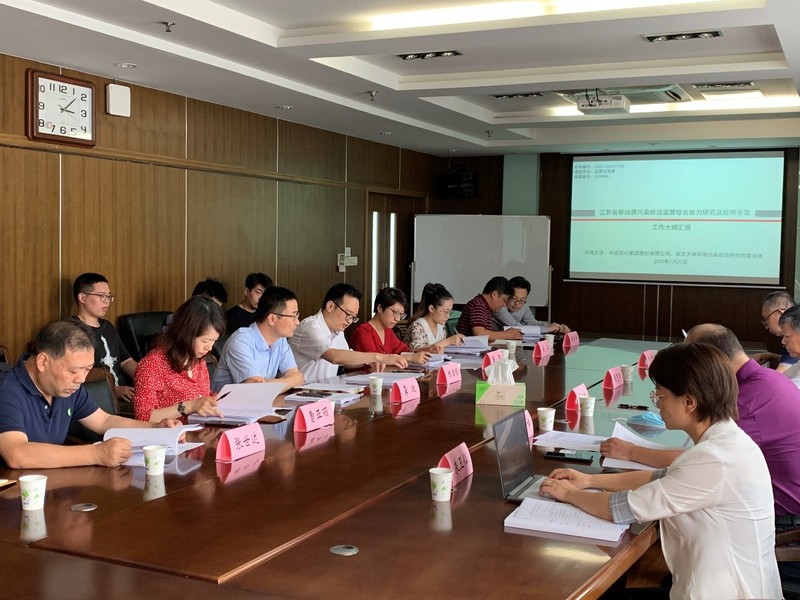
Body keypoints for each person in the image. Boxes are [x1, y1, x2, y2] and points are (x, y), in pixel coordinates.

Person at [541, 343, 781, 600]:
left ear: (689, 402)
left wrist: (568, 494)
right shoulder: (726, 440)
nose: (657, 404)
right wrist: (589, 480)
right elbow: (658, 477)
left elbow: (621, 509)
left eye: (660, 396)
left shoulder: (714, 460)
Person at [601, 323, 800, 516]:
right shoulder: (767, 378)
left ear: (710, 361)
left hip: (780, 511)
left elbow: (701, 460)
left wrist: (631, 452)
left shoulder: (746, 402)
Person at [0, 320, 181, 469]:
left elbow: (104, 421)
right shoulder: (7, 389)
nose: (81, 379)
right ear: (42, 362)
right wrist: (96, 454)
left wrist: (155, 428)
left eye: (87, 369)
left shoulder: (68, 387)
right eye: (74, 371)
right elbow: (17, 454)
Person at [289, 283, 407, 382]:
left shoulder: (338, 330)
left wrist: (368, 361)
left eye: (353, 317)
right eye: (348, 314)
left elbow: (346, 362)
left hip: (325, 392)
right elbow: (334, 357)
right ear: (330, 306)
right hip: (300, 393)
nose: (349, 321)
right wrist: (378, 357)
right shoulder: (310, 327)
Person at [133, 296, 225, 422]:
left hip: (200, 429)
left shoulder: (199, 360)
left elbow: (201, 397)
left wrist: (212, 400)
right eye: (205, 341)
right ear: (185, 333)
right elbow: (143, 417)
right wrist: (189, 406)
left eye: (213, 341)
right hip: (170, 433)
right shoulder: (152, 364)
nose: (209, 347)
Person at [212, 286, 304, 392]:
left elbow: (297, 377)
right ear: (272, 319)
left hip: (262, 400)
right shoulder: (240, 342)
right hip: (226, 402)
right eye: (293, 316)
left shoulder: (280, 340)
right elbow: (256, 388)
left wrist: (272, 384)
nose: (297, 322)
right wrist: (290, 381)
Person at [70, 272, 136, 402]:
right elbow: (76, 374)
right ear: (82, 297)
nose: (106, 301)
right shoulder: (71, 330)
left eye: (108, 296)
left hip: (125, 395)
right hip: (97, 400)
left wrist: (148, 377)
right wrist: (114, 390)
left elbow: (126, 362)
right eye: (101, 296)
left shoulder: (108, 326)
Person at [350, 287, 433, 363]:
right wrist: (409, 357)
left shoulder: (388, 331)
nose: (397, 319)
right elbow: (373, 363)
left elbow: (405, 350)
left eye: (401, 315)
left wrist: (428, 349)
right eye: (395, 312)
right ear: (380, 308)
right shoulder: (363, 331)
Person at [492, 276, 570, 334]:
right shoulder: (499, 306)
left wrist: (557, 327)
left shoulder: (524, 306)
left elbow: (534, 323)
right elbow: (518, 328)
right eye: (513, 298)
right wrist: (548, 329)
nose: (517, 303)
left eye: (522, 300)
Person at [456, 276, 523, 342]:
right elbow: (479, 334)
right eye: (504, 300)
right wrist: (507, 335)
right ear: (495, 294)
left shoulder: (483, 305)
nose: (504, 304)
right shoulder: (478, 305)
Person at [404, 283, 464, 351]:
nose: (448, 316)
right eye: (445, 312)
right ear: (432, 309)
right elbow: (415, 351)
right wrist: (448, 341)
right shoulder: (418, 326)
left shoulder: (441, 325)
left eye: (450, 312)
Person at [162, 277, 228, 331]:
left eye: (217, 308)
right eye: (209, 305)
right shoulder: (175, 320)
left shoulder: (218, 323)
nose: (212, 311)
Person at [756, 290, 798, 372]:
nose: (766, 326)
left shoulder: (794, 338)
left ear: (780, 313)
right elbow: (793, 364)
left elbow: (779, 375)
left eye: (766, 319)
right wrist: (771, 357)